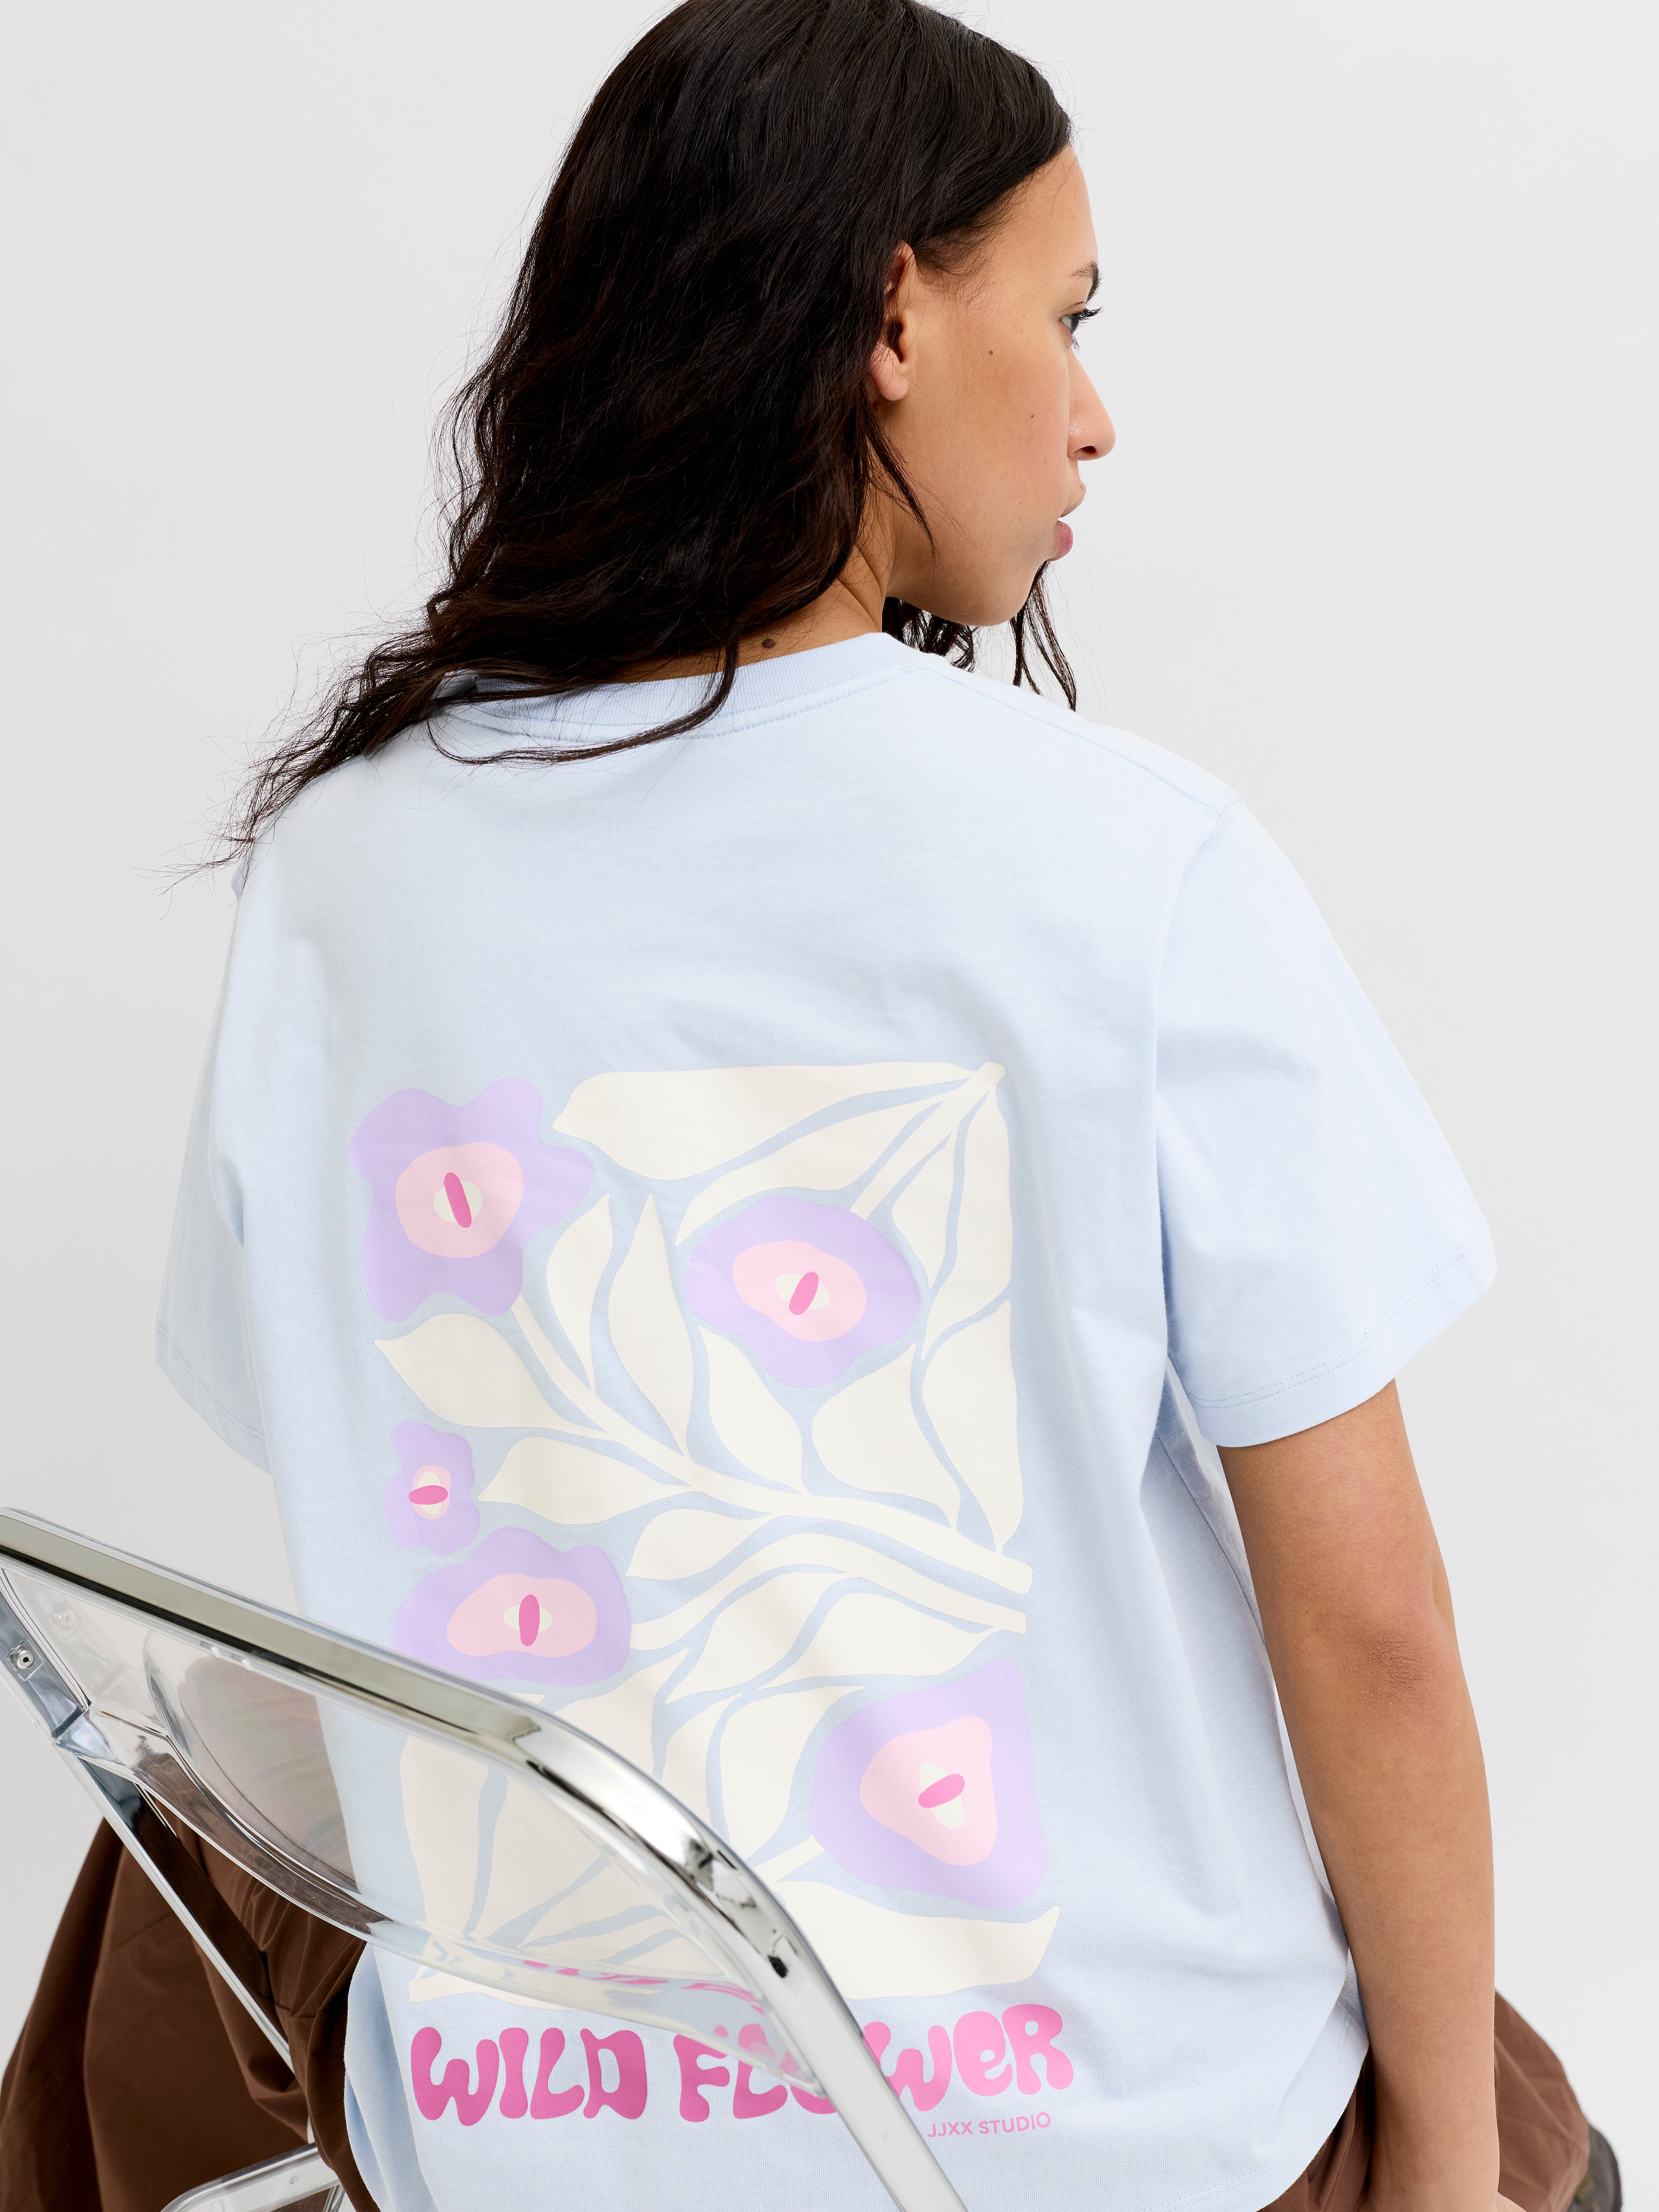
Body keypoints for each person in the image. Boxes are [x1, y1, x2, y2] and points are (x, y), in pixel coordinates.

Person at [0, 2, 1618, 2209]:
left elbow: (347, 1440)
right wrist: (1436, 2173)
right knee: (1507, 2097)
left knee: (196, 1849)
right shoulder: (1134, 861)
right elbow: (1377, 1637)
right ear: (891, 316)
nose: (1096, 413)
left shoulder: (339, 871)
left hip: (529, 2145)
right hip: (1099, 2153)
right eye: (1068, 316)